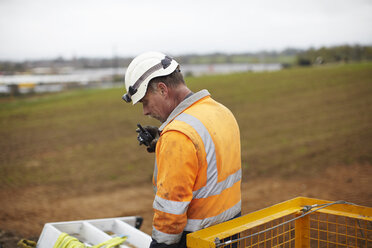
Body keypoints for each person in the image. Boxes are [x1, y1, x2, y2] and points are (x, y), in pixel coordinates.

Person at [122, 51, 242, 248]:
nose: (145, 111)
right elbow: (206, 159)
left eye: (145, 102)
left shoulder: (178, 136)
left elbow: (170, 214)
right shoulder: (220, 111)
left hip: (196, 240)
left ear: (162, 89)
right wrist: (164, 139)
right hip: (231, 233)